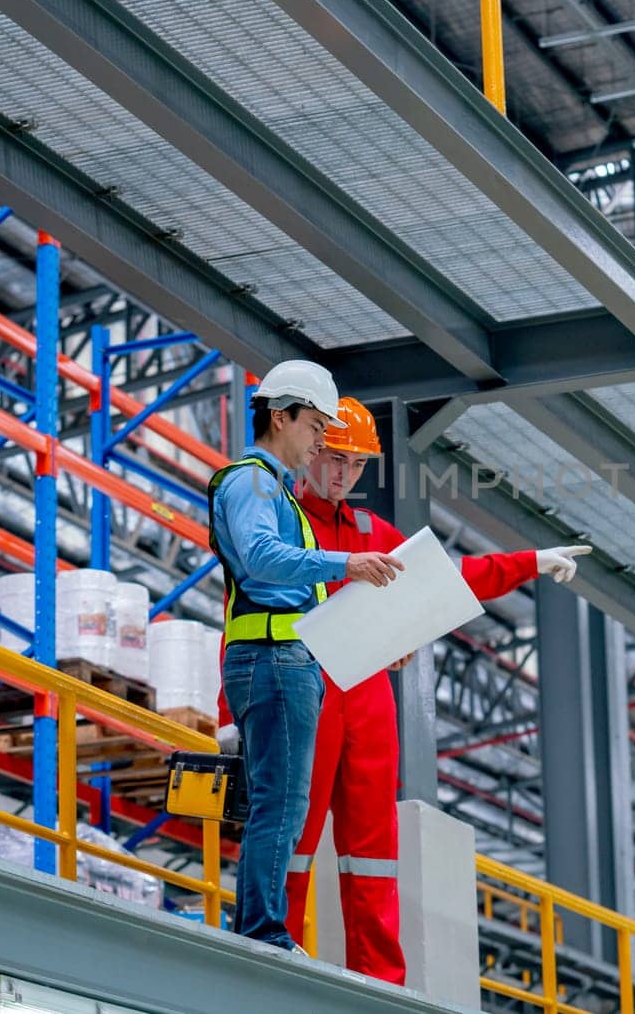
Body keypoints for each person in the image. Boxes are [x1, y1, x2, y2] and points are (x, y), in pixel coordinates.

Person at [282, 396, 590, 984]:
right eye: (334, 457)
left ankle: (383, 987)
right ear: (311, 448)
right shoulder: (282, 525)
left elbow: (447, 578)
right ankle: (273, 963)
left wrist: (531, 561)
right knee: (291, 838)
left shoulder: (374, 532)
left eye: (357, 463)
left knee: (372, 851)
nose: (344, 473)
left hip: (368, 697)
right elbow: (240, 613)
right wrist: (230, 715)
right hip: (305, 694)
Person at [208, 362, 404, 952]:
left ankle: (262, 928)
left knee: (284, 806)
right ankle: (265, 932)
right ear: (280, 417)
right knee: (283, 806)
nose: (322, 440)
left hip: (282, 659)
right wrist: (346, 564)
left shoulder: (275, 491)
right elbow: (264, 560)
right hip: (272, 660)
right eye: (316, 426)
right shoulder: (253, 482)